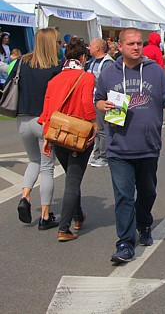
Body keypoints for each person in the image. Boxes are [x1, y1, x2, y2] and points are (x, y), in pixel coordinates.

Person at [95, 28, 165, 264]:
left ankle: (144, 223)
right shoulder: (108, 73)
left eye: (139, 43)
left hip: (148, 146)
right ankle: (124, 243)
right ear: (120, 47)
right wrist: (103, 105)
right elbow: (99, 99)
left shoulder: (155, 72)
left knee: (147, 191)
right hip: (118, 147)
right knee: (123, 195)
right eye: (131, 44)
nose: (136, 47)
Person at [38, 37, 97, 242]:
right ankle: (64, 228)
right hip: (78, 133)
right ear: (83, 57)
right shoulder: (86, 78)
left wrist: (47, 137)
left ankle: (78, 216)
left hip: (57, 134)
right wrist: (94, 125)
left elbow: (47, 111)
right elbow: (86, 104)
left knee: (72, 177)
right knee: (73, 180)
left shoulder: (54, 80)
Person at [14, 27, 61, 228]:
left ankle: (25, 196)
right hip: (44, 121)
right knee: (48, 168)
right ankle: (45, 215)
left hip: (23, 119)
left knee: (33, 161)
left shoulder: (21, 63)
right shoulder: (55, 68)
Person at [86, 38, 115, 168]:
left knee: (103, 129)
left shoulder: (107, 63)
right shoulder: (92, 62)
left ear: (98, 48)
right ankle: (97, 153)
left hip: (103, 100)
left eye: (91, 46)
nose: (89, 48)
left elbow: (108, 83)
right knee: (96, 129)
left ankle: (104, 156)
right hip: (93, 98)